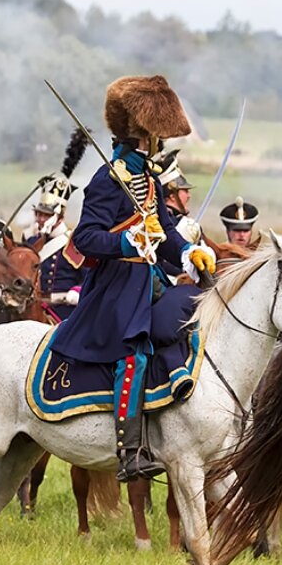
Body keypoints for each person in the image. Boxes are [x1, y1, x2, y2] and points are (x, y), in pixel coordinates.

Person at [51, 75, 217, 482]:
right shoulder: (109, 179)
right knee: (135, 351)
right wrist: (126, 241)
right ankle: (129, 451)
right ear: (144, 136)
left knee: (191, 313)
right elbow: (86, 238)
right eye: (154, 136)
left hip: (151, 278)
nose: (157, 142)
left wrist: (186, 252)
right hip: (115, 288)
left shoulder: (150, 180)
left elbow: (163, 231)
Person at [25, 129, 90, 321]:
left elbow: (89, 277)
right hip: (32, 310)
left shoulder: (73, 243)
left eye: (46, 215)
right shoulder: (30, 242)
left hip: (63, 312)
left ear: (59, 216)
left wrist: (77, 291)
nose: (41, 219)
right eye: (39, 214)